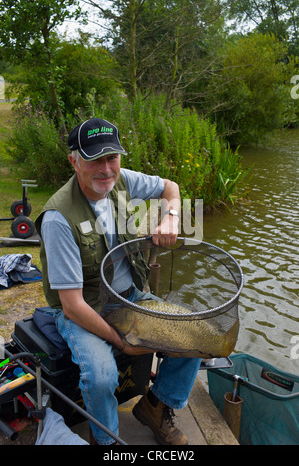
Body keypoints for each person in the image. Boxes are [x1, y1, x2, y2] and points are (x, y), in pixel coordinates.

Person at [35, 118, 201, 445]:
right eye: (95, 158)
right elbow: (73, 305)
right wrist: (120, 341)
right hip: (86, 310)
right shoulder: (58, 218)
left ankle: (156, 406)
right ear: (74, 161)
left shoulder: (122, 180)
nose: (106, 168)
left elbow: (170, 187)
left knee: (192, 332)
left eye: (112, 157)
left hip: (131, 296)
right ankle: (107, 440)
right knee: (101, 376)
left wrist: (170, 216)